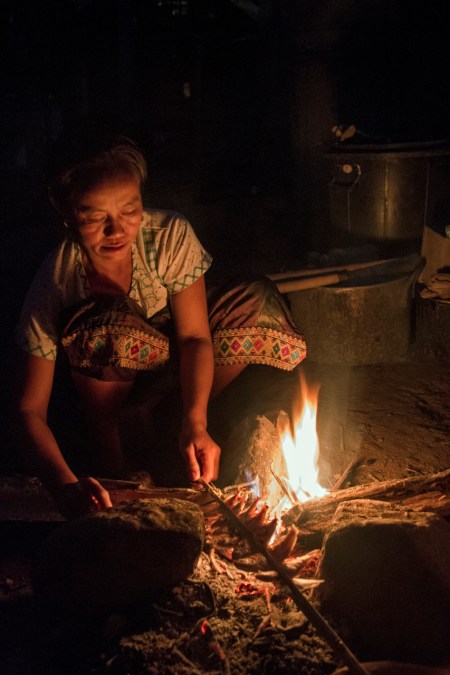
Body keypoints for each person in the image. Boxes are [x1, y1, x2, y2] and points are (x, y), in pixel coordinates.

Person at [13, 131, 306, 519]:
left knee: (256, 299)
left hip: (172, 367)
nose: (116, 230)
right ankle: (115, 458)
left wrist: (195, 422)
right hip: (109, 391)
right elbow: (29, 410)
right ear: (62, 207)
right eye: (95, 216)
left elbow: (196, 336)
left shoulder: (168, 236)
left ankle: (173, 421)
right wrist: (65, 485)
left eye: (129, 210)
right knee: (105, 328)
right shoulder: (56, 278)